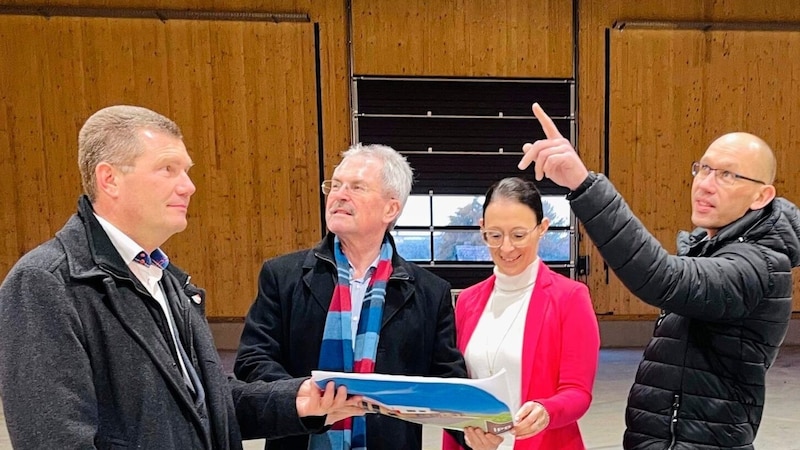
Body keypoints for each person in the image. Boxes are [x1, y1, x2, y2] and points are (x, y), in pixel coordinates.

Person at [0, 105, 362, 450]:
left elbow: (206, 406)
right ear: (109, 179)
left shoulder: (165, 280)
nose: (188, 186)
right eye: (168, 169)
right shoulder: (45, 284)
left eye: (186, 170)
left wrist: (299, 400)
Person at [519, 103, 800, 449]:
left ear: (762, 195)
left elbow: (663, 277)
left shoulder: (760, 265)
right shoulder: (710, 249)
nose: (706, 185)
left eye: (728, 175)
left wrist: (584, 184)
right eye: (704, 169)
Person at [234, 143, 468, 450]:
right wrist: (305, 394)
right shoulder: (283, 275)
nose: (339, 195)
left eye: (357, 187)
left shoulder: (430, 291)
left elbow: (445, 382)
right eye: (335, 185)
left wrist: (473, 431)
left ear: (391, 208)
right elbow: (253, 360)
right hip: (300, 439)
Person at [442, 177, 600, 450]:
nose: (506, 248)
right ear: (482, 230)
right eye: (495, 235)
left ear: (542, 229)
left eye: (518, 235)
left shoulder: (570, 297)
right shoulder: (467, 301)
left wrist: (547, 410)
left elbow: (578, 392)